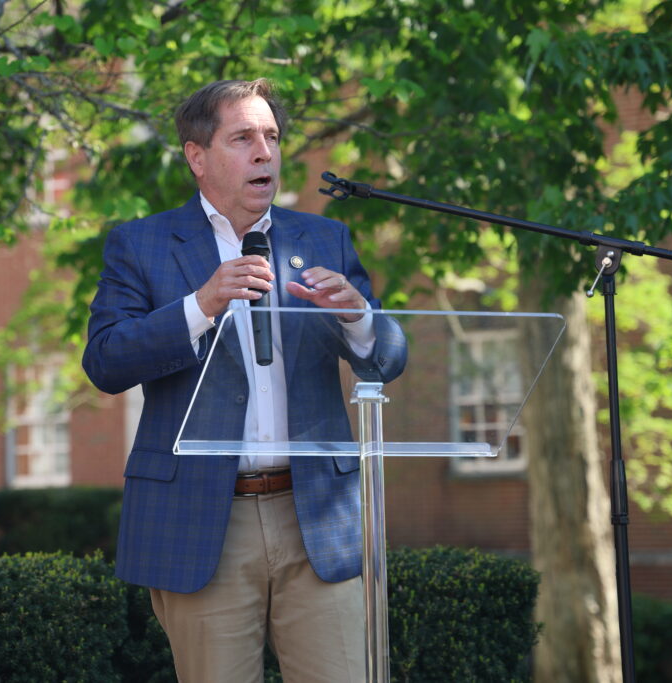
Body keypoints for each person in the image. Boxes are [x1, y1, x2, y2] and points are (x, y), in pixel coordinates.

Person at [83, 79, 406, 682]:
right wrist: (198, 306)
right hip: (204, 521)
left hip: (316, 516)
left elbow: (386, 359)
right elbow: (105, 361)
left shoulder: (322, 238)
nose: (265, 152)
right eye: (244, 138)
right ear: (197, 157)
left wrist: (358, 316)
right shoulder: (142, 244)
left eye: (273, 137)